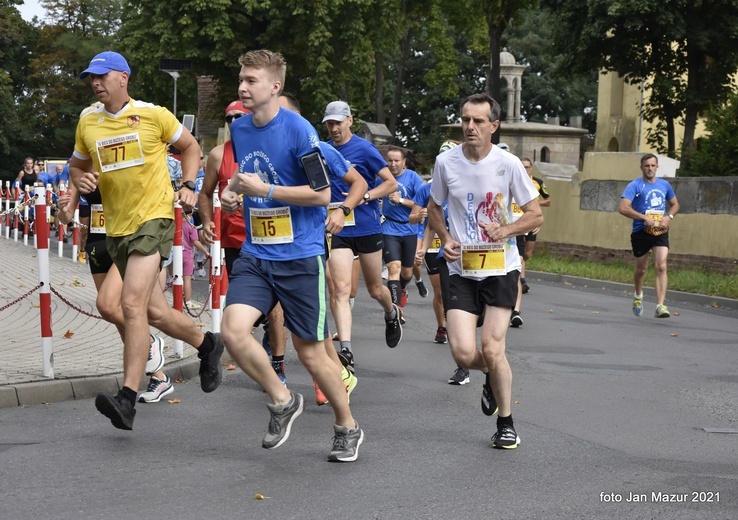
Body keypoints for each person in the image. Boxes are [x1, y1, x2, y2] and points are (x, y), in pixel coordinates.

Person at [219, 49, 363, 462]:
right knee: (232, 331)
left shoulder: (299, 131)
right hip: (256, 253)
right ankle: (282, 400)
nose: (243, 87)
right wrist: (232, 193)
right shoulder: (241, 130)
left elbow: (321, 195)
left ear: (274, 86)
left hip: (300, 256)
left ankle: (346, 425)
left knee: (312, 353)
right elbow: (242, 173)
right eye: (241, 79)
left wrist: (263, 191)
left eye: (251, 81)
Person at [70, 51, 224, 430]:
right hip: (116, 228)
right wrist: (79, 179)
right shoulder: (88, 120)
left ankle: (128, 397)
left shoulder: (153, 114)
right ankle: (208, 345)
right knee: (154, 312)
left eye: (102, 76)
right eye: (91, 77)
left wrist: (188, 184)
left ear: (123, 77)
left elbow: (191, 147)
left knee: (130, 303)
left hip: (153, 219)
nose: (95, 82)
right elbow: (77, 164)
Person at [427, 93, 543, 449]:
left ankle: (506, 423)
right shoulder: (446, 163)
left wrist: (506, 230)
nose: (469, 127)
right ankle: (493, 376)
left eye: (477, 121)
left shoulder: (508, 164)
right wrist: (444, 237)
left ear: (493, 125)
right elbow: (433, 206)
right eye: (465, 120)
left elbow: (535, 214)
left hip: (500, 266)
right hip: (461, 268)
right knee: (463, 353)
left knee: (492, 348)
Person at [277, 92, 364, 406]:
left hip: (306, 244)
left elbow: (359, 184)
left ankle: (331, 378)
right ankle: (327, 374)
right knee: (293, 319)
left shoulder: (320, 149)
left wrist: (343, 211)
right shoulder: (263, 149)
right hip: (270, 248)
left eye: (282, 114)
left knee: (309, 320)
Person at [198, 100, 289, 384]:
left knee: (276, 308)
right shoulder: (217, 155)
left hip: (273, 238)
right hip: (236, 241)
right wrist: (207, 221)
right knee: (246, 306)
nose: (234, 121)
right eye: (229, 118)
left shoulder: (270, 147)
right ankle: (265, 339)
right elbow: (205, 193)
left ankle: (277, 365)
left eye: (240, 116)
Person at [323, 100, 403, 372]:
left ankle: (391, 312)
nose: (333, 128)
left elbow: (391, 183)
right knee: (340, 289)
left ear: (349, 121)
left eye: (337, 122)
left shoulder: (364, 149)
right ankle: (346, 349)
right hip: (339, 228)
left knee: (374, 289)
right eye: (329, 123)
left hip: (367, 226)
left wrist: (365, 195)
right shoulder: (323, 151)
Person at [619, 153, 680, 318]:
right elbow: (623, 208)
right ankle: (638, 295)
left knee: (661, 266)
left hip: (660, 231)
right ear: (641, 167)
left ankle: (660, 305)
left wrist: (669, 217)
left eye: (653, 165)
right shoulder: (635, 185)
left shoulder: (664, 185)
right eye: (647, 166)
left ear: (657, 167)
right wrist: (644, 217)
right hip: (640, 232)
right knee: (642, 268)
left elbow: (675, 204)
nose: (650, 168)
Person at [382, 146, 424, 322]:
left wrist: (400, 200)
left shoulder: (413, 178)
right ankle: (395, 309)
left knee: (407, 273)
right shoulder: (383, 177)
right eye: (390, 161)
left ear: (404, 162)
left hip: (409, 228)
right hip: (389, 228)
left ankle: (403, 288)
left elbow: (420, 203)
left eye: (396, 161)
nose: (393, 164)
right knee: (393, 268)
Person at [510, 157, 551, 327]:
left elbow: (543, 203)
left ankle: (516, 311)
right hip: (505, 231)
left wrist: (537, 220)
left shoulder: (534, 184)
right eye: (522, 167)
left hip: (523, 228)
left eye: (527, 167)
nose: (525, 170)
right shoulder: (507, 182)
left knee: (524, 258)